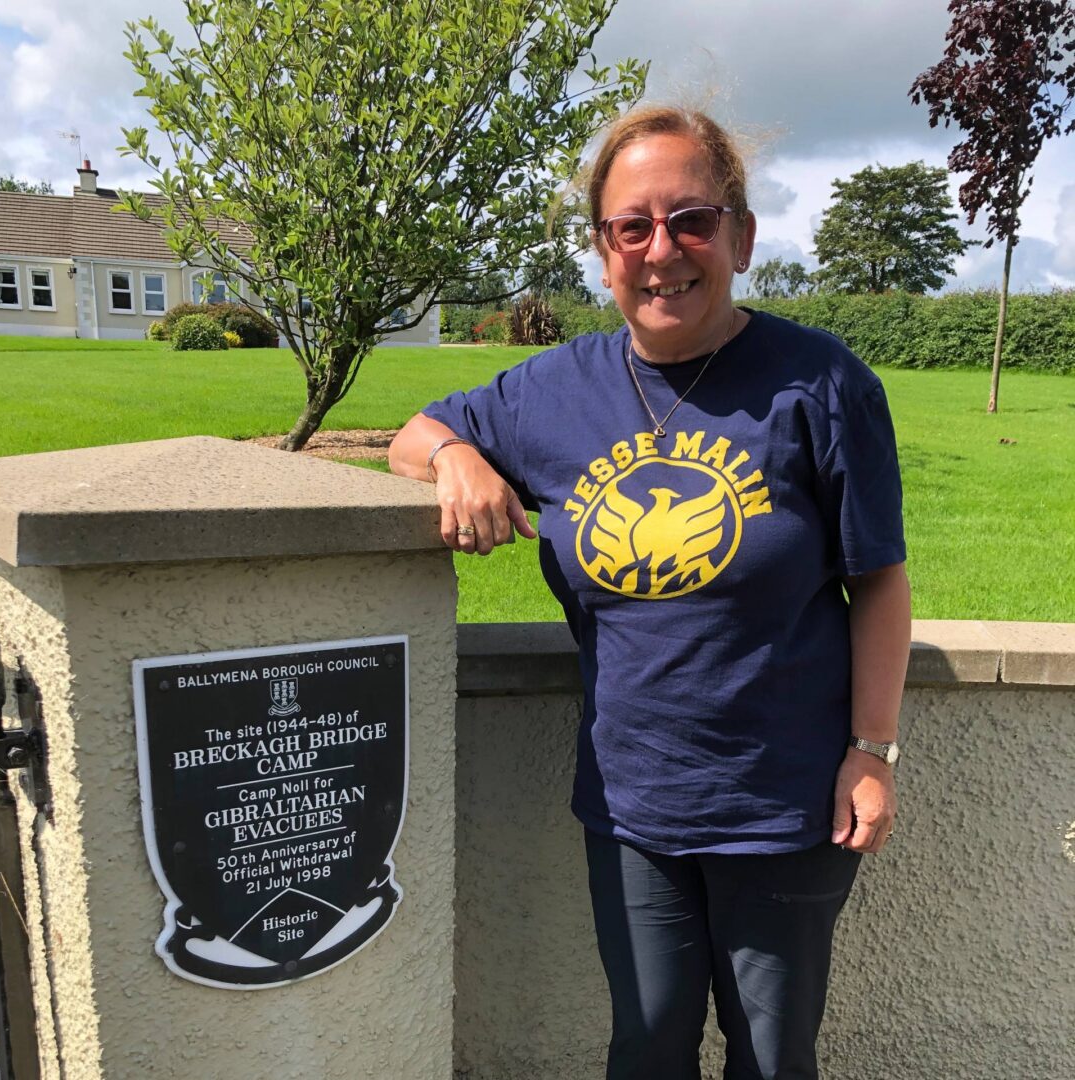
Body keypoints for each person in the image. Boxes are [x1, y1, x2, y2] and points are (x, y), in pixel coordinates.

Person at [389, 105, 910, 1080]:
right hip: (633, 805)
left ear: (741, 237)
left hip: (788, 806)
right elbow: (412, 432)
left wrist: (870, 753)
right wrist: (456, 455)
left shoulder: (824, 386)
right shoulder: (550, 392)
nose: (661, 250)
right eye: (633, 226)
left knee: (772, 1053)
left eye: (691, 221)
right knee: (649, 1042)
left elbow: (879, 580)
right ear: (602, 250)